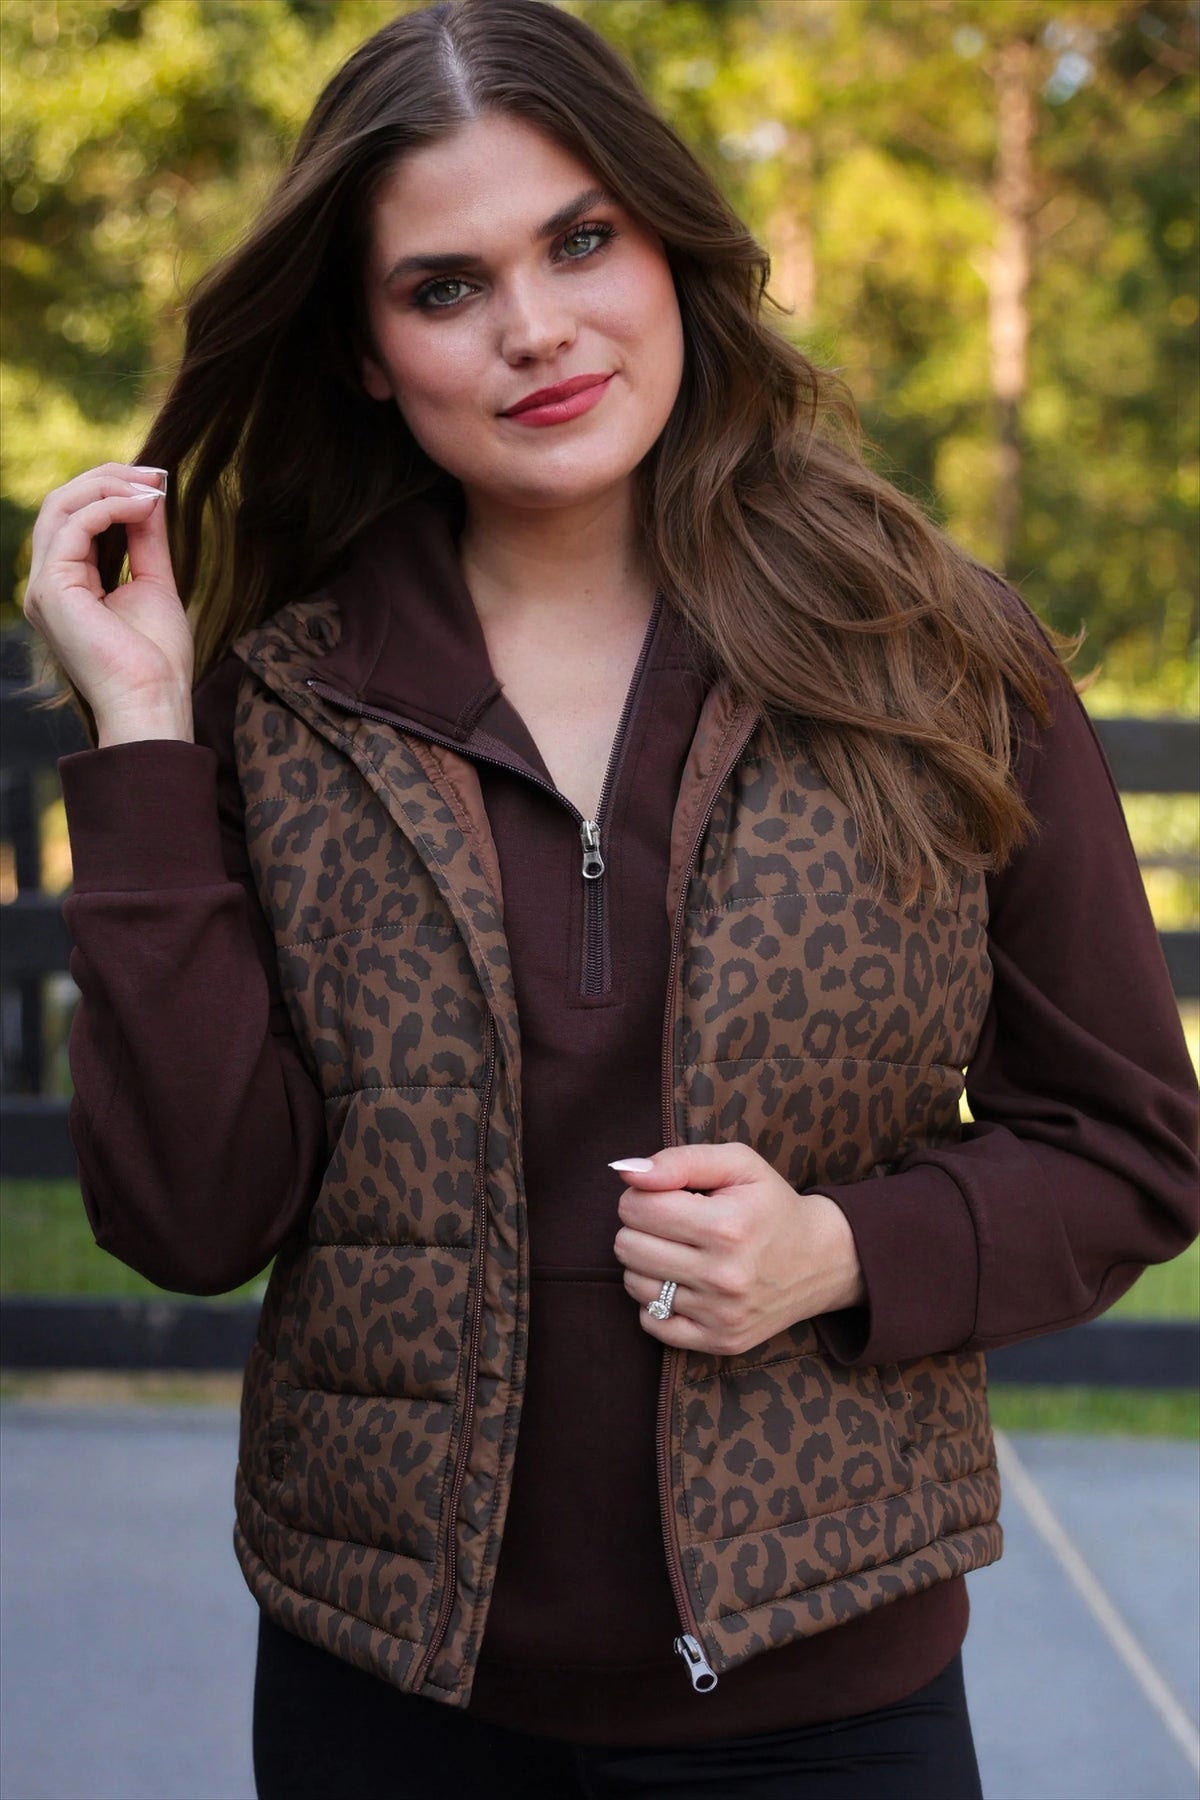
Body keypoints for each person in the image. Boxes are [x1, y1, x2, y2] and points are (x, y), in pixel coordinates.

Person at [22, 2, 1198, 1796]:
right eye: (445, 287)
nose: (536, 328)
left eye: (582, 241)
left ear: (670, 248)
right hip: (384, 1707)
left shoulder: (935, 656)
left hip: (829, 1710)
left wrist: (840, 1251)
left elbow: (1132, 1148)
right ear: (364, 352)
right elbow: (189, 1222)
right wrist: (144, 732)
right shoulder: (282, 700)